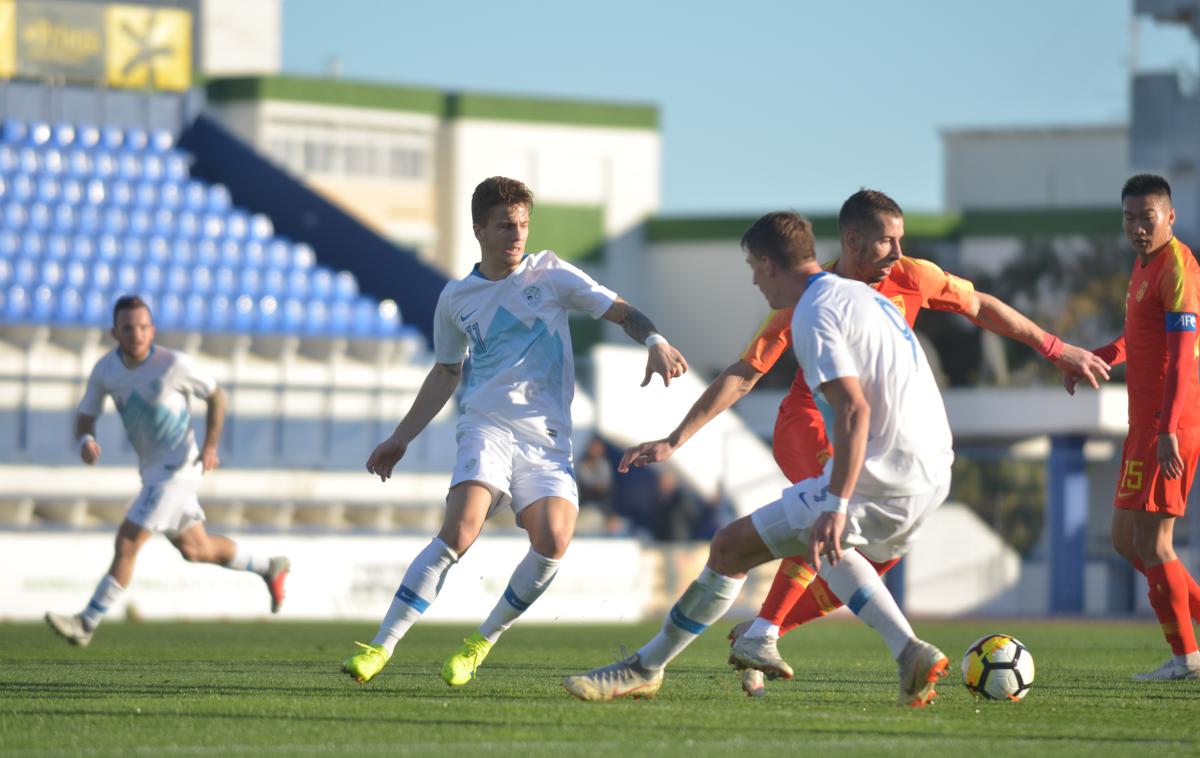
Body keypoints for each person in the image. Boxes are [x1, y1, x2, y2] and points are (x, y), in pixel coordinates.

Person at [620, 188, 1110, 694]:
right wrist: (676, 439)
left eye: (901, 242)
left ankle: (765, 631)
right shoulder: (809, 295)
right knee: (828, 518)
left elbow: (980, 305)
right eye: (886, 243)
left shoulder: (912, 276)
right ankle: (772, 637)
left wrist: (1056, 348)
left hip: (874, 435)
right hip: (810, 420)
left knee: (874, 550)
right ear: (853, 243)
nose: (898, 255)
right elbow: (745, 373)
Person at [564, 211, 954, 707]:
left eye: (751, 266)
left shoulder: (817, 310)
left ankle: (646, 668)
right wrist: (674, 440)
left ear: (769, 264)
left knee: (735, 547)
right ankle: (899, 651)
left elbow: (853, 409)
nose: (752, 279)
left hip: (885, 469)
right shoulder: (863, 295)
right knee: (815, 548)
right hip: (933, 472)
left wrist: (836, 502)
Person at [341, 176, 688, 686]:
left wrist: (654, 338)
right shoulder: (456, 298)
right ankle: (380, 647)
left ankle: (482, 641)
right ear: (479, 228)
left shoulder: (550, 275)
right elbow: (445, 371)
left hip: (547, 439)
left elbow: (619, 310)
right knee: (460, 530)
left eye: (523, 224)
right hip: (487, 425)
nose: (517, 234)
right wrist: (402, 436)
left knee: (555, 539)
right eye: (506, 225)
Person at [45, 295, 289, 647]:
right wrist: (85, 438)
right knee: (196, 548)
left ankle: (86, 622)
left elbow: (217, 396)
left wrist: (210, 446)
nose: (137, 334)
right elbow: (86, 413)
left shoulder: (173, 364)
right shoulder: (106, 371)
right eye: (128, 328)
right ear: (115, 333)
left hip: (179, 469)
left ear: (152, 329)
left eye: (144, 326)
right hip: (153, 472)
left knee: (127, 542)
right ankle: (269, 566)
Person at [1070, 174, 1200, 680]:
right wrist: (1091, 358)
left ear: (1169, 216)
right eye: (1129, 219)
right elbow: (1136, 337)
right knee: (1125, 538)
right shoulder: (1142, 265)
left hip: (1169, 425)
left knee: (1155, 542)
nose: (1137, 229)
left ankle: (1186, 658)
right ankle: (1188, 638)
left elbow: (1184, 359)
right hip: (1142, 426)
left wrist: (1168, 426)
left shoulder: (1178, 268)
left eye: (1146, 219)